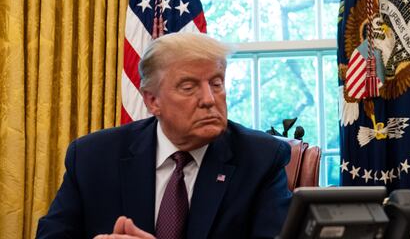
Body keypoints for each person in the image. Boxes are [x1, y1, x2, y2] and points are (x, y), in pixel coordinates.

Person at [37, 32, 292, 238]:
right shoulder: (93, 157)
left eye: (216, 83)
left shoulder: (260, 159)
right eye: (189, 87)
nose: (209, 99)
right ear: (152, 101)